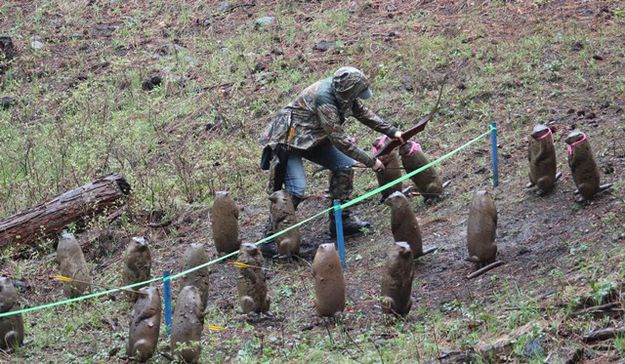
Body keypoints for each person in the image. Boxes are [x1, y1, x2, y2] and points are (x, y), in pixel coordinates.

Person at [260, 66, 403, 255]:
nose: (358, 97)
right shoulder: (324, 100)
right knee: (296, 189)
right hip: (289, 141)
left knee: (343, 166)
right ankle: (271, 239)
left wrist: (392, 131)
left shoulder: (343, 93)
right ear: (348, 90)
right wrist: (371, 162)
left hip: (313, 137)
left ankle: (341, 221)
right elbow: (341, 141)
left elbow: (364, 113)